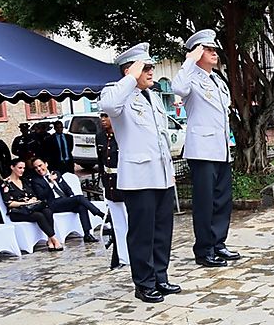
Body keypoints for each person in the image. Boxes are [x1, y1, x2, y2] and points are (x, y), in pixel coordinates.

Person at [98, 42, 180, 303]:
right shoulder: (117, 93)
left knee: (162, 230)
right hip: (138, 178)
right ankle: (143, 283)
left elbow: (161, 137)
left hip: (161, 174)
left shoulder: (153, 96)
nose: (150, 72)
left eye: (150, 67)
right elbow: (108, 106)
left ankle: (160, 276)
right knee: (142, 233)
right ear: (129, 71)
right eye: (145, 68)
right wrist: (130, 79)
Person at [173, 29, 240, 268]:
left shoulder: (217, 80)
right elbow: (178, 89)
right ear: (198, 52)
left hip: (221, 149)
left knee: (222, 200)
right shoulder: (190, 77)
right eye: (208, 49)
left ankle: (218, 243)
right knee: (205, 202)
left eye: (213, 49)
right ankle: (204, 249)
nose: (214, 53)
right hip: (201, 150)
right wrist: (189, 61)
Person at [29, 157, 104, 243]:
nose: (38, 169)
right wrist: (50, 183)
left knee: (81, 206)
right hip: (52, 204)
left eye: (40, 165)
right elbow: (42, 196)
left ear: (46, 164)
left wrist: (71, 196)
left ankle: (87, 234)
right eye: (35, 168)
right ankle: (100, 214)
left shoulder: (56, 173)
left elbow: (66, 188)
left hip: (65, 201)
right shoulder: (36, 181)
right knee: (79, 198)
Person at [1, 158, 63, 251]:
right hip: (17, 212)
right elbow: (9, 203)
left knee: (47, 211)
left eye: (24, 168)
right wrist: (24, 203)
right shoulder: (6, 184)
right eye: (20, 168)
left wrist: (33, 200)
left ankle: (50, 240)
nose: (22, 170)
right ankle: (54, 239)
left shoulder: (24, 181)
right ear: (12, 167)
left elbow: (33, 195)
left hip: (30, 208)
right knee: (39, 215)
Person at [96, 112, 129, 269]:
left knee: (130, 221)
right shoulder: (100, 137)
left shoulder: (123, 135)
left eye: (106, 116)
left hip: (124, 182)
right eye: (102, 116)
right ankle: (123, 258)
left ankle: (133, 255)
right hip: (110, 184)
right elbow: (100, 161)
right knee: (117, 225)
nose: (103, 120)